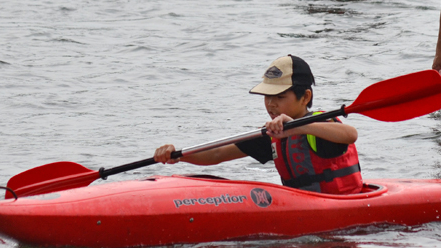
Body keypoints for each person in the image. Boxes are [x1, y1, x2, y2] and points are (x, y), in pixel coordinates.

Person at [153, 55, 363, 195]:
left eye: (279, 96)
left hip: (341, 205)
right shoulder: (274, 134)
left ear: (305, 97)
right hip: (304, 207)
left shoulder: (320, 124)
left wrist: (297, 127)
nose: (271, 104)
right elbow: (218, 154)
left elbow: (349, 134)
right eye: (267, 97)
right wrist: (178, 156)